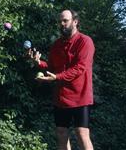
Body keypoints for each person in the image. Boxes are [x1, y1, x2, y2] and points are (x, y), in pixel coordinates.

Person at [29, 9, 95, 150]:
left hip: (80, 97)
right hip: (61, 97)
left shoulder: (85, 41)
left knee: (82, 133)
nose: (62, 24)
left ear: (75, 22)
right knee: (61, 133)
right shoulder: (57, 45)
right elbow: (52, 67)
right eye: (60, 21)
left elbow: (80, 68)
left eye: (65, 20)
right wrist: (38, 62)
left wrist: (56, 77)